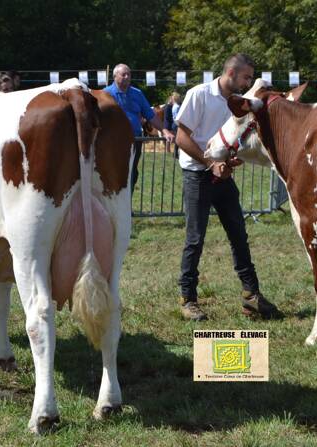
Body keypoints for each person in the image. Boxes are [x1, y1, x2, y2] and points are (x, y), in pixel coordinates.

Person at [174, 53, 282, 321]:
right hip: (197, 176)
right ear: (231, 73)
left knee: (238, 234)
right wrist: (211, 163)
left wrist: (232, 161)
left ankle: (251, 296)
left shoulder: (239, 103)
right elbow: (181, 137)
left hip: (223, 178)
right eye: (246, 77)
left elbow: (234, 139)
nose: (248, 83)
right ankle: (187, 299)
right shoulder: (199, 94)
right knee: (195, 238)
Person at [105, 63, 174, 193]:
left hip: (134, 141)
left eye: (129, 74)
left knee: (132, 173)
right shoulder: (105, 94)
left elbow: (150, 115)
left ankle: (127, 208)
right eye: (123, 74)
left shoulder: (137, 94)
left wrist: (164, 130)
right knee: (113, 173)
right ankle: (111, 205)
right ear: (115, 76)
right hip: (113, 143)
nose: (127, 77)